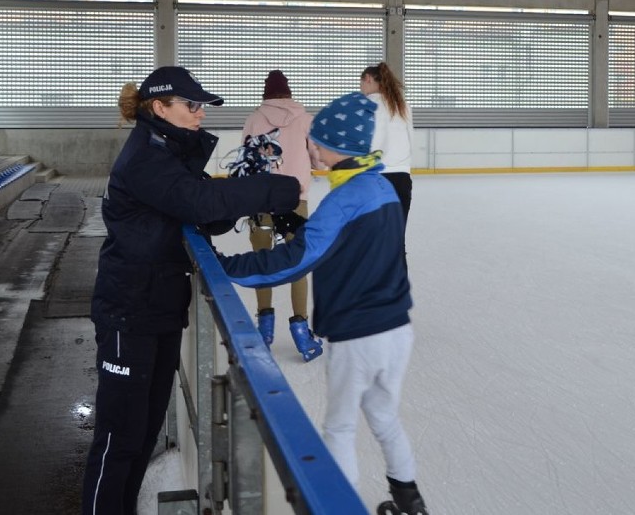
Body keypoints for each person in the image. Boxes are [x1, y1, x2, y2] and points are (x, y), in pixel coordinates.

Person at [82, 66, 301, 515]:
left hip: (158, 305)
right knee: (119, 437)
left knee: (140, 433)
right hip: (129, 311)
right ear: (159, 107)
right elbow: (198, 203)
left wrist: (247, 184)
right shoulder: (147, 155)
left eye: (202, 105)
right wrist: (272, 189)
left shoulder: (171, 151)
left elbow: (207, 213)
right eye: (191, 105)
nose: (200, 114)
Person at [218, 92, 429, 515]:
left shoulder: (343, 200)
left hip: (358, 335)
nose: (308, 147)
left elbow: (298, 259)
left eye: (314, 141)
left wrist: (228, 267)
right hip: (396, 329)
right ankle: (410, 501)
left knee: (340, 425)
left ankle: (337, 508)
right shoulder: (382, 187)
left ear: (335, 148)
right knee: (385, 418)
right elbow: (340, 240)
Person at [242, 70, 323, 361]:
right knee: (297, 263)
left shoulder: (254, 118)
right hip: (294, 200)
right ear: (288, 93)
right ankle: (302, 335)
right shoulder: (305, 118)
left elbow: (246, 160)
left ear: (266, 94)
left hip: (260, 200)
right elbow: (319, 158)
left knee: (262, 261)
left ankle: (264, 330)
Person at [360, 62, 414, 223]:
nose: (360, 87)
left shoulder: (363, 105)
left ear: (368, 79)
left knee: (373, 237)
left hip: (373, 177)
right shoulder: (403, 106)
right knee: (396, 235)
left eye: (361, 82)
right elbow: (411, 139)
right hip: (402, 176)